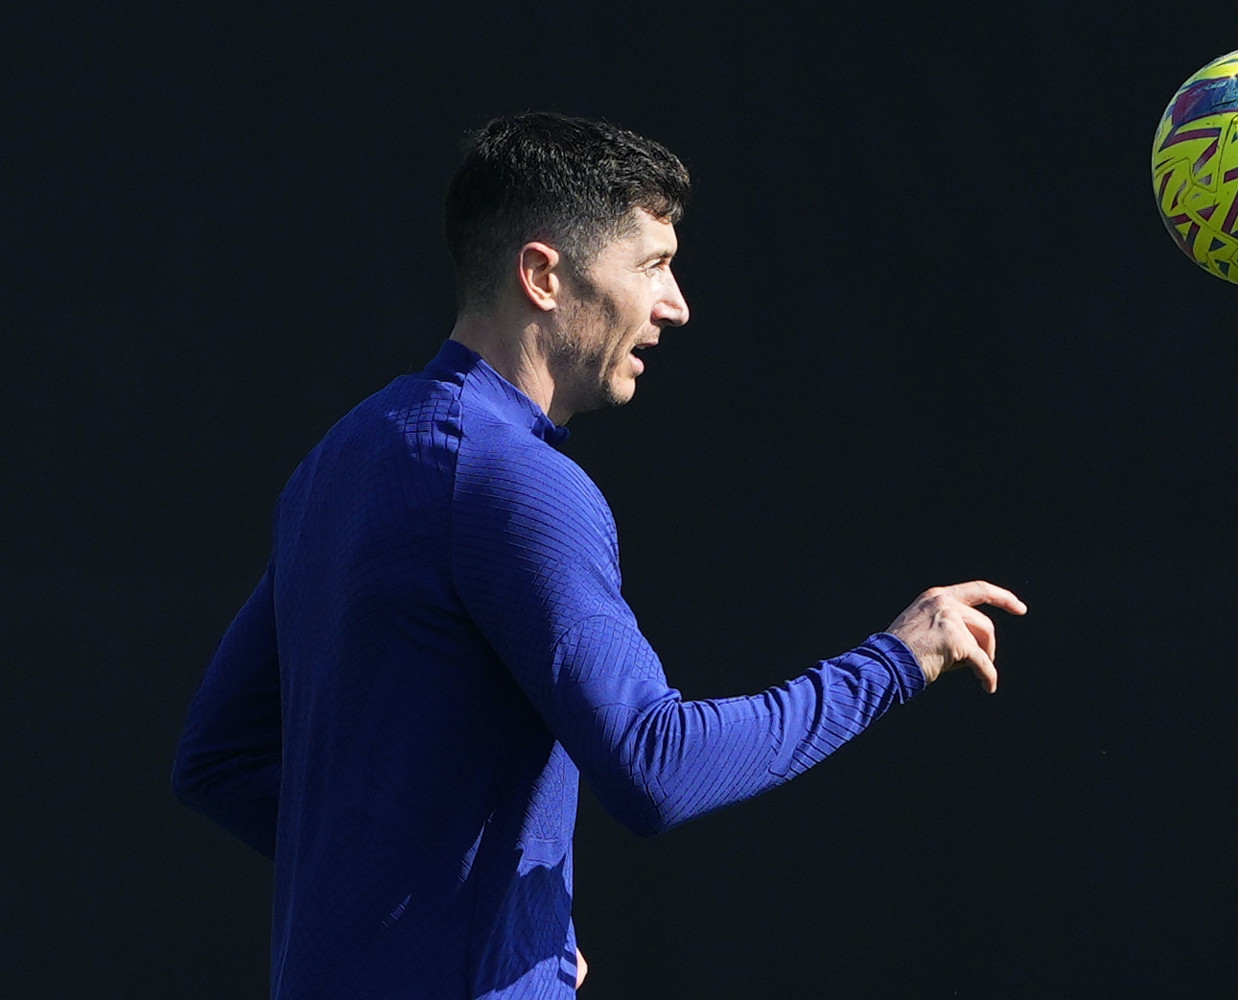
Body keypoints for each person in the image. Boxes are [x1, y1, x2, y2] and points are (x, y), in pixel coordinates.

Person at [173, 112, 1027, 999]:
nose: (677, 303)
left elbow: (216, 761)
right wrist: (895, 660)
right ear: (543, 275)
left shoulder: (338, 463)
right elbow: (655, 766)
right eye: (653, 264)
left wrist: (463, 900)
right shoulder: (520, 483)